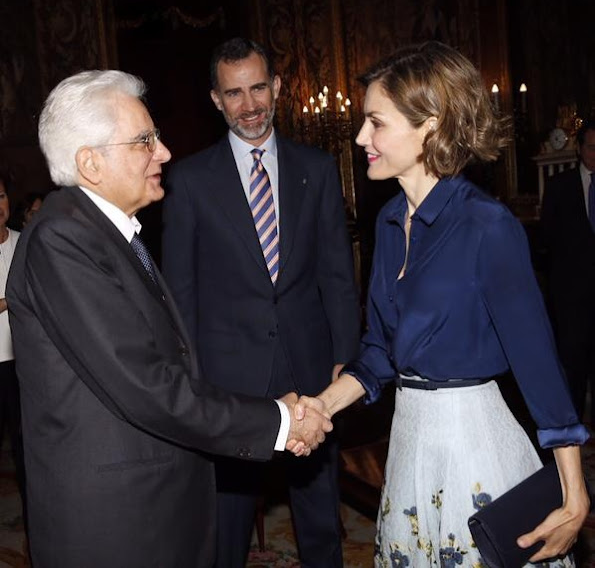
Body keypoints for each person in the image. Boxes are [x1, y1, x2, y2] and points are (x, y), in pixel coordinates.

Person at [6, 69, 331, 568]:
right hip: (119, 526)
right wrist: (280, 420)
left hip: (152, 506)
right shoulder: (63, 240)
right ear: (90, 163)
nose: (164, 153)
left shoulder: (108, 233)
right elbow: (146, 384)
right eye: (144, 141)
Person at [296, 41, 590, 567]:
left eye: (376, 123)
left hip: (475, 450)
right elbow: (382, 352)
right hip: (409, 445)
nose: (361, 137)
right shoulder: (388, 224)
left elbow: (538, 361)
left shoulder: (486, 226)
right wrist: (322, 405)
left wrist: (574, 492)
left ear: (429, 124)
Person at [162, 37, 360, 568]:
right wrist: (193, 376)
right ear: (215, 99)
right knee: (228, 519)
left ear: (276, 88)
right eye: (233, 93)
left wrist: (346, 358)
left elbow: (337, 274)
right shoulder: (188, 180)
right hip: (228, 377)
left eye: (257, 88)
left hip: (311, 365)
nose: (248, 105)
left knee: (320, 512)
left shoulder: (316, 169)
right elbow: (180, 291)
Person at [541, 120, 595, 426]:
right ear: (579, 148)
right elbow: (548, 238)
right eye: (590, 147)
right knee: (572, 364)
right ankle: (572, 429)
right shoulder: (560, 186)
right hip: (571, 296)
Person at [0, 174, 26, 526]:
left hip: (22, 364)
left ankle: (37, 524)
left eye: (1, 195)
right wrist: (13, 298)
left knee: (26, 449)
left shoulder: (25, 242)